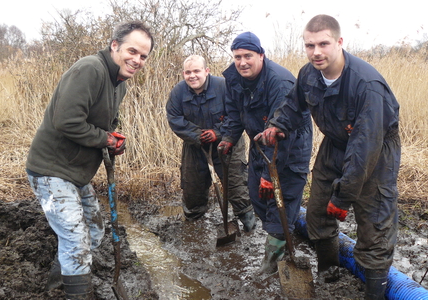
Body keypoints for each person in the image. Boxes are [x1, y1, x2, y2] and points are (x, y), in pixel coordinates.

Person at [254, 14, 401, 299]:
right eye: (310, 45)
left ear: (339, 42)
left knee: (375, 223)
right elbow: (293, 105)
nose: (316, 52)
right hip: (335, 144)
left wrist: (344, 196)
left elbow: (364, 149)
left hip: (376, 151)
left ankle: (375, 292)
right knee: (319, 210)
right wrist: (277, 125)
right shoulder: (309, 74)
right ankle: (328, 269)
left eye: (323, 44)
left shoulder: (366, 85)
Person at [25, 21, 154, 300]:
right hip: (51, 170)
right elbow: (66, 121)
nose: (137, 60)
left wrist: (114, 138)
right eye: (132, 51)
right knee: (75, 239)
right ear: (115, 46)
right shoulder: (90, 69)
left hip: (76, 173)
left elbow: (105, 123)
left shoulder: (119, 83)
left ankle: (58, 284)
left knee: (94, 231)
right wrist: (106, 140)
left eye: (143, 56)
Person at [217, 32, 313, 274]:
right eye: (237, 56)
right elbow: (234, 112)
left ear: (261, 55)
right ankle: (282, 235)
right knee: (258, 196)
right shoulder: (234, 78)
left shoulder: (279, 82)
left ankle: (271, 266)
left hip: (289, 146)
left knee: (282, 201)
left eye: (248, 56)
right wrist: (229, 137)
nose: (242, 62)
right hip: (260, 145)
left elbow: (282, 130)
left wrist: (271, 176)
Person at [166, 55, 255, 231]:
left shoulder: (223, 86)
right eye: (188, 72)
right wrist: (198, 135)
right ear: (183, 74)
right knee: (192, 187)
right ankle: (194, 230)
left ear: (206, 71)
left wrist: (218, 132)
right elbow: (174, 119)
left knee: (236, 186)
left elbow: (237, 114)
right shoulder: (178, 92)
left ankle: (249, 225)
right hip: (195, 145)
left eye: (197, 71)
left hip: (228, 143)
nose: (192, 76)